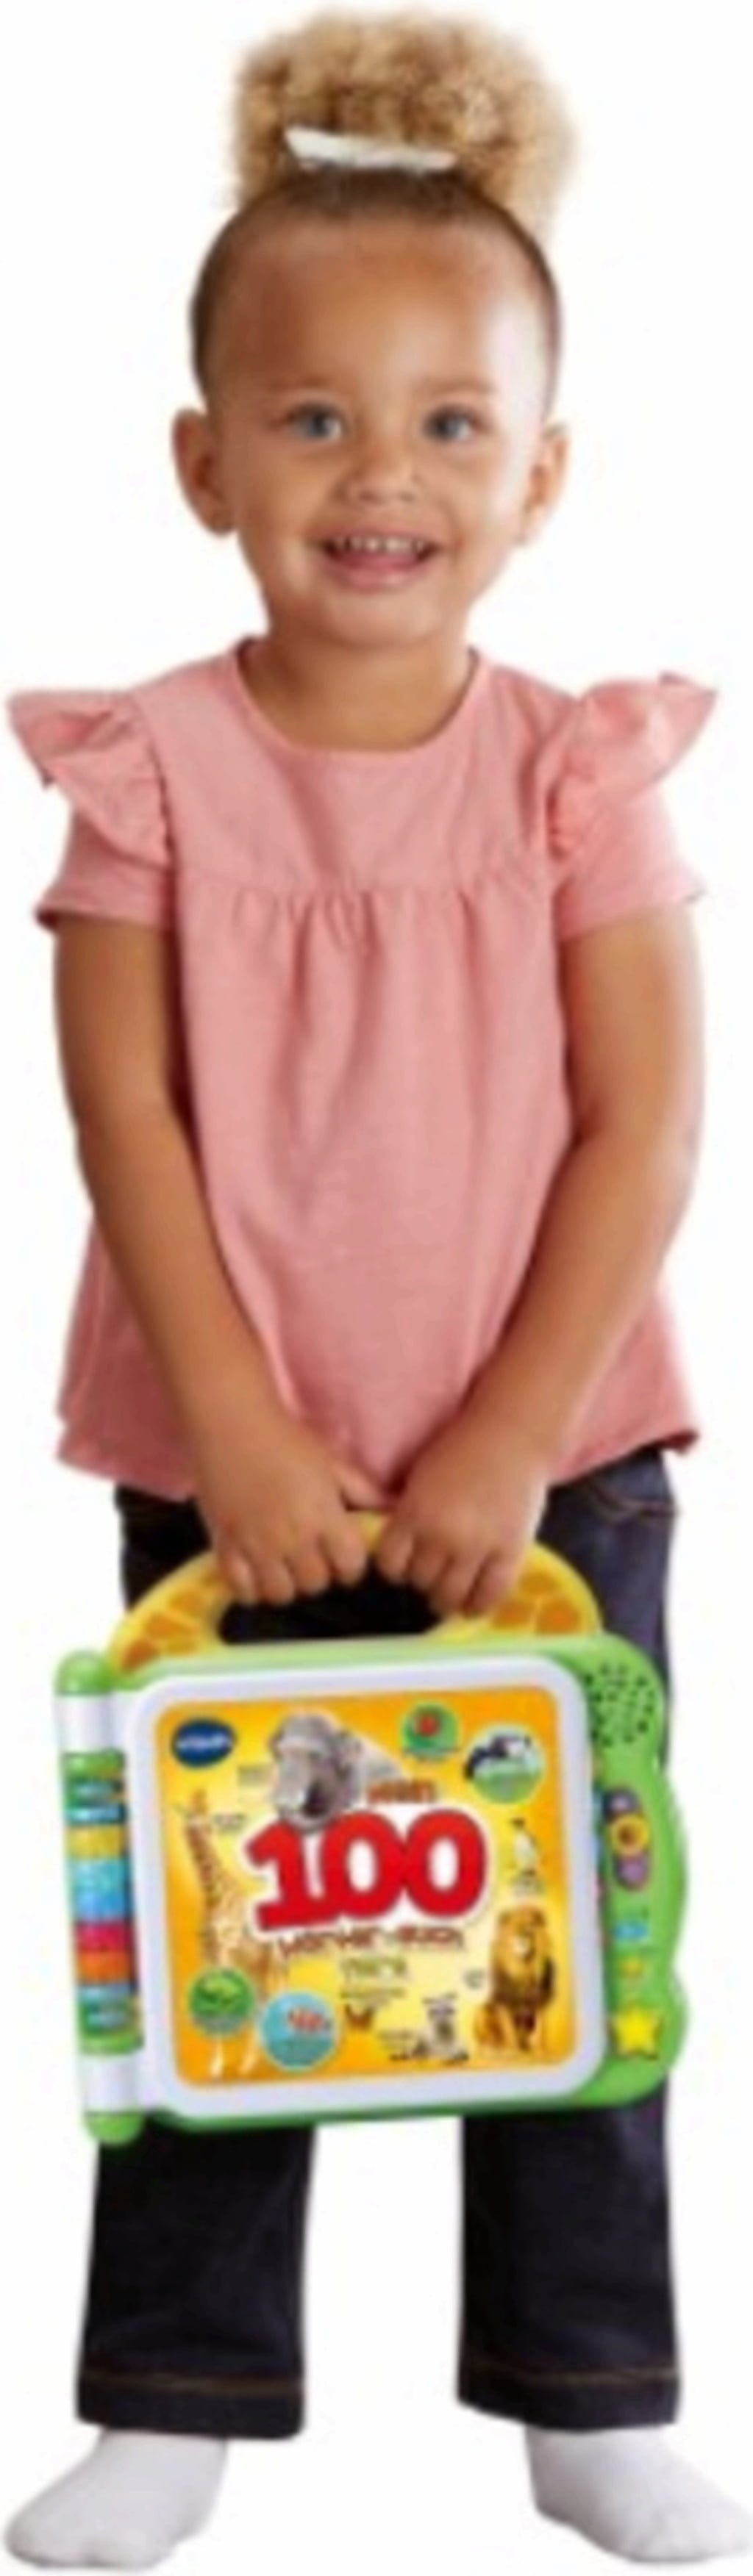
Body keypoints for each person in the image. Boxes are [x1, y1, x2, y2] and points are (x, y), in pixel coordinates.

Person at [5, 9, 751, 2566]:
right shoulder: (144, 771)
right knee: (226, 1920)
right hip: (245, 1475)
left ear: (539, 475)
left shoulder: (574, 772)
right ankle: (179, 2391)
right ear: (203, 459)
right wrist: (235, 1427)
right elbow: (127, 1122)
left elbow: (649, 1125)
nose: (382, 474)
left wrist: (512, 1438)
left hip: (554, 1467)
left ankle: (593, 2388)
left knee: (564, 1931)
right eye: (314, 418)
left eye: (451, 423)